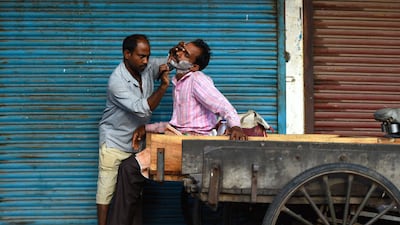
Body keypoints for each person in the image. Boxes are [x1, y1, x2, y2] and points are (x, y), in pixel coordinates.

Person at [96, 34, 170, 225]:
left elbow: (172, 63)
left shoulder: (146, 67)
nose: (146, 61)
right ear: (127, 54)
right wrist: (162, 87)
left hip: (137, 143)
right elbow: (142, 108)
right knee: (107, 189)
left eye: (148, 56)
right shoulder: (116, 82)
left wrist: (176, 53)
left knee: (133, 191)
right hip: (115, 140)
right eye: (141, 56)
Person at [167, 39, 247, 140]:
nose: (179, 54)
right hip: (181, 135)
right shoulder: (178, 80)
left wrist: (236, 127)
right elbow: (165, 65)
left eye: (186, 55)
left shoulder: (196, 80)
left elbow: (223, 105)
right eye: (182, 50)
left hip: (198, 138)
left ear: (194, 67)